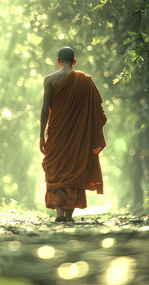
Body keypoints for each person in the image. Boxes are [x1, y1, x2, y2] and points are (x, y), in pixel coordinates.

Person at [40, 46, 107, 222]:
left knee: (57, 169)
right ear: (75, 61)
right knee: (74, 168)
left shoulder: (49, 80)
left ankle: (60, 213)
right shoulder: (85, 81)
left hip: (57, 135)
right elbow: (98, 113)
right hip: (78, 136)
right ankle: (68, 215)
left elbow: (44, 111)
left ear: (58, 61)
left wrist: (41, 136)